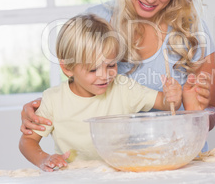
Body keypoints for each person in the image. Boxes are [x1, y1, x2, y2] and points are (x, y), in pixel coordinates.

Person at [20, 0, 215, 145]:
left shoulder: (192, 30)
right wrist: (42, 109)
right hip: (119, 163)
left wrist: (196, 112)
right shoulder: (97, 22)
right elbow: (75, 89)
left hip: (183, 159)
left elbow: (211, 114)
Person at [19, 14, 183, 172]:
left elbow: (165, 103)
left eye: (111, 65)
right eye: (93, 69)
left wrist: (172, 96)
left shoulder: (123, 88)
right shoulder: (53, 100)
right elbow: (27, 141)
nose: (104, 75)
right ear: (67, 68)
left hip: (120, 174)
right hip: (76, 178)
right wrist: (43, 158)